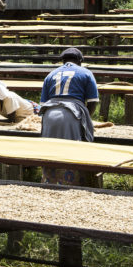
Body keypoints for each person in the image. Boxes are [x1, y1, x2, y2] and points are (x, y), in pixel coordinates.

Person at [39, 48, 99, 184]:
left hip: (49, 114)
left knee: (49, 150)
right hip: (72, 113)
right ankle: (70, 183)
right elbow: (93, 101)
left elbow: (43, 103)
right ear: (80, 61)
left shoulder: (51, 74)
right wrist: (86, 118)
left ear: (63, 60)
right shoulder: (86, 73)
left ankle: (49, 182)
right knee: (71, 150)